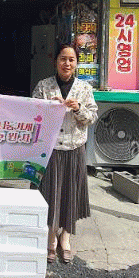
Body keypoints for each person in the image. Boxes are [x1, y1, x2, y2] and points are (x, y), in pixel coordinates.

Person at [32, 44, 98, 264]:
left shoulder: (84, 88)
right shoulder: (44, 86)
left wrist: (78, 108)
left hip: (74, 149)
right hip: (50, 150)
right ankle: (51, 236)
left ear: (76, 63)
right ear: (55, 61)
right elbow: (33, 114)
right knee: (50, 193)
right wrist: (48, 107)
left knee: (70, 193)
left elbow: (92, 117)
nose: (67, 64)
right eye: (63, 59)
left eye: (71, 59)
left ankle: (66, 237)